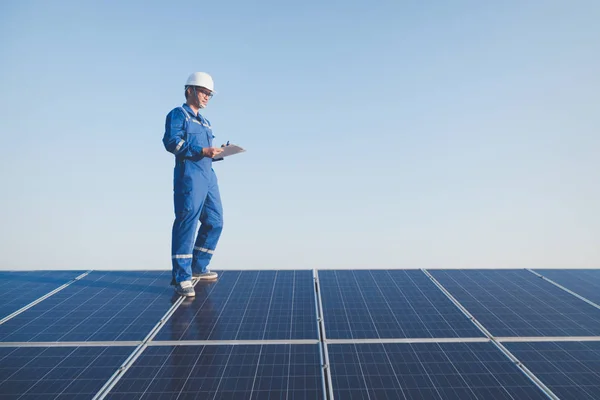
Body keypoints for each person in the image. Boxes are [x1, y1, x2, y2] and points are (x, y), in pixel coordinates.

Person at [162, 72, 224, 297]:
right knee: (187, 221)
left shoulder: (205, 122)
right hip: (189, 175)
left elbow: (206, 151)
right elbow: (172, 142)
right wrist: (200, 151)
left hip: (209, 175)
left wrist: (218, 152)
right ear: (190, 90)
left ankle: (198, 266)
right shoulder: (179, 115)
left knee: (215, 221)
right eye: (204, 92)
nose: (208, 97)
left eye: (210, 94)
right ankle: (182, 277)